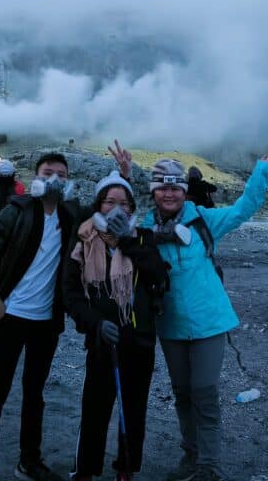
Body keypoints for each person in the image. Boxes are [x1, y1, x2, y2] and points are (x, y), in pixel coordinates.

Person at [0, 144, 134, 481]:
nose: (56, 180)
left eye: (62, 175)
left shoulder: (70, 215)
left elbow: (106, 207)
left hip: (46, 322)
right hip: (11, 315)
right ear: (36, 178)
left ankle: (29, 461)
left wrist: (124, 177)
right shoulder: (17, 210)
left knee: (35, 393)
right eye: (49, 174)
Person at [146, 148, 268, 481]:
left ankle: (209, 467)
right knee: (182, 394)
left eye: (175, 186)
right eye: (162, 187)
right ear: (153, 192)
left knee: (204, 392)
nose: (169, 192)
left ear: (184, 191)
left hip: (209, 323)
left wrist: (261, 169)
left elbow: (243, 209)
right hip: (170, 325)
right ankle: (190, 458)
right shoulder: (145, 230)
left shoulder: (203, 220)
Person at [64, 170, 169, 481]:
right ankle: (85, 469)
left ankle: (126, 468)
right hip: (102, 342)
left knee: (134, 410)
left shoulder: (144, 238)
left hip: (139, 340)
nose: (116, 207)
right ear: (99, 206)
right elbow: (70, 292)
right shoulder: (82, 239)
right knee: (94, 408)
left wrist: (127, 240)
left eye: (123, 202)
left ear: (132, 209)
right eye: (109, 201)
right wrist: (95, 324)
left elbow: (159, 276)